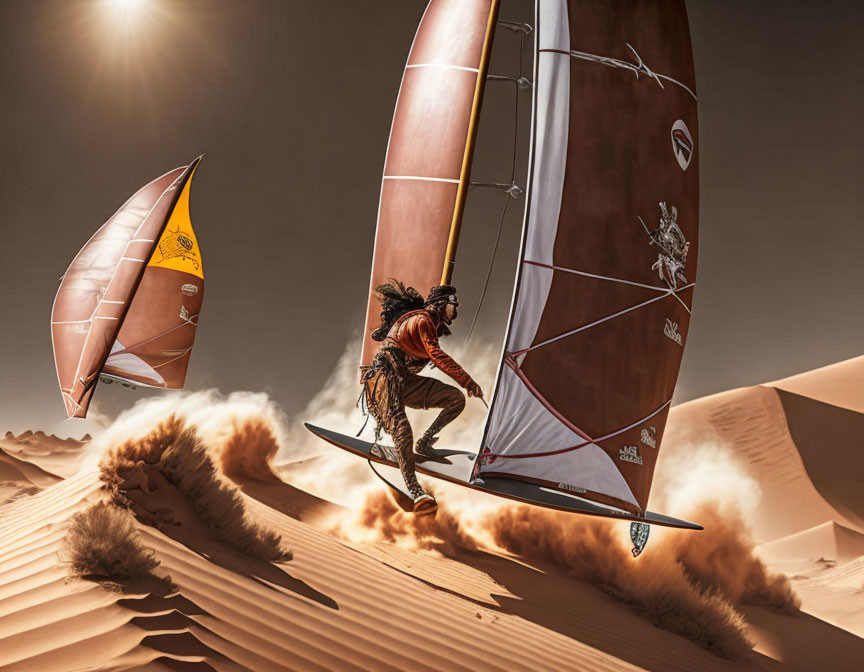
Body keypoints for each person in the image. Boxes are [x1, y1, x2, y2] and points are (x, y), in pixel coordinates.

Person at [361, 281, 483, 515]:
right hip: (383, 381)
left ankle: (425, 442)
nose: (455, 312)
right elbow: (436, 355)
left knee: (454, 399)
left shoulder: (431, 326)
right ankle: (415, 490)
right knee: (403, 431)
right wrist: (467, 380)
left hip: (404, 382)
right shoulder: (423, 320)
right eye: (452, 306)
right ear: (440, 304)